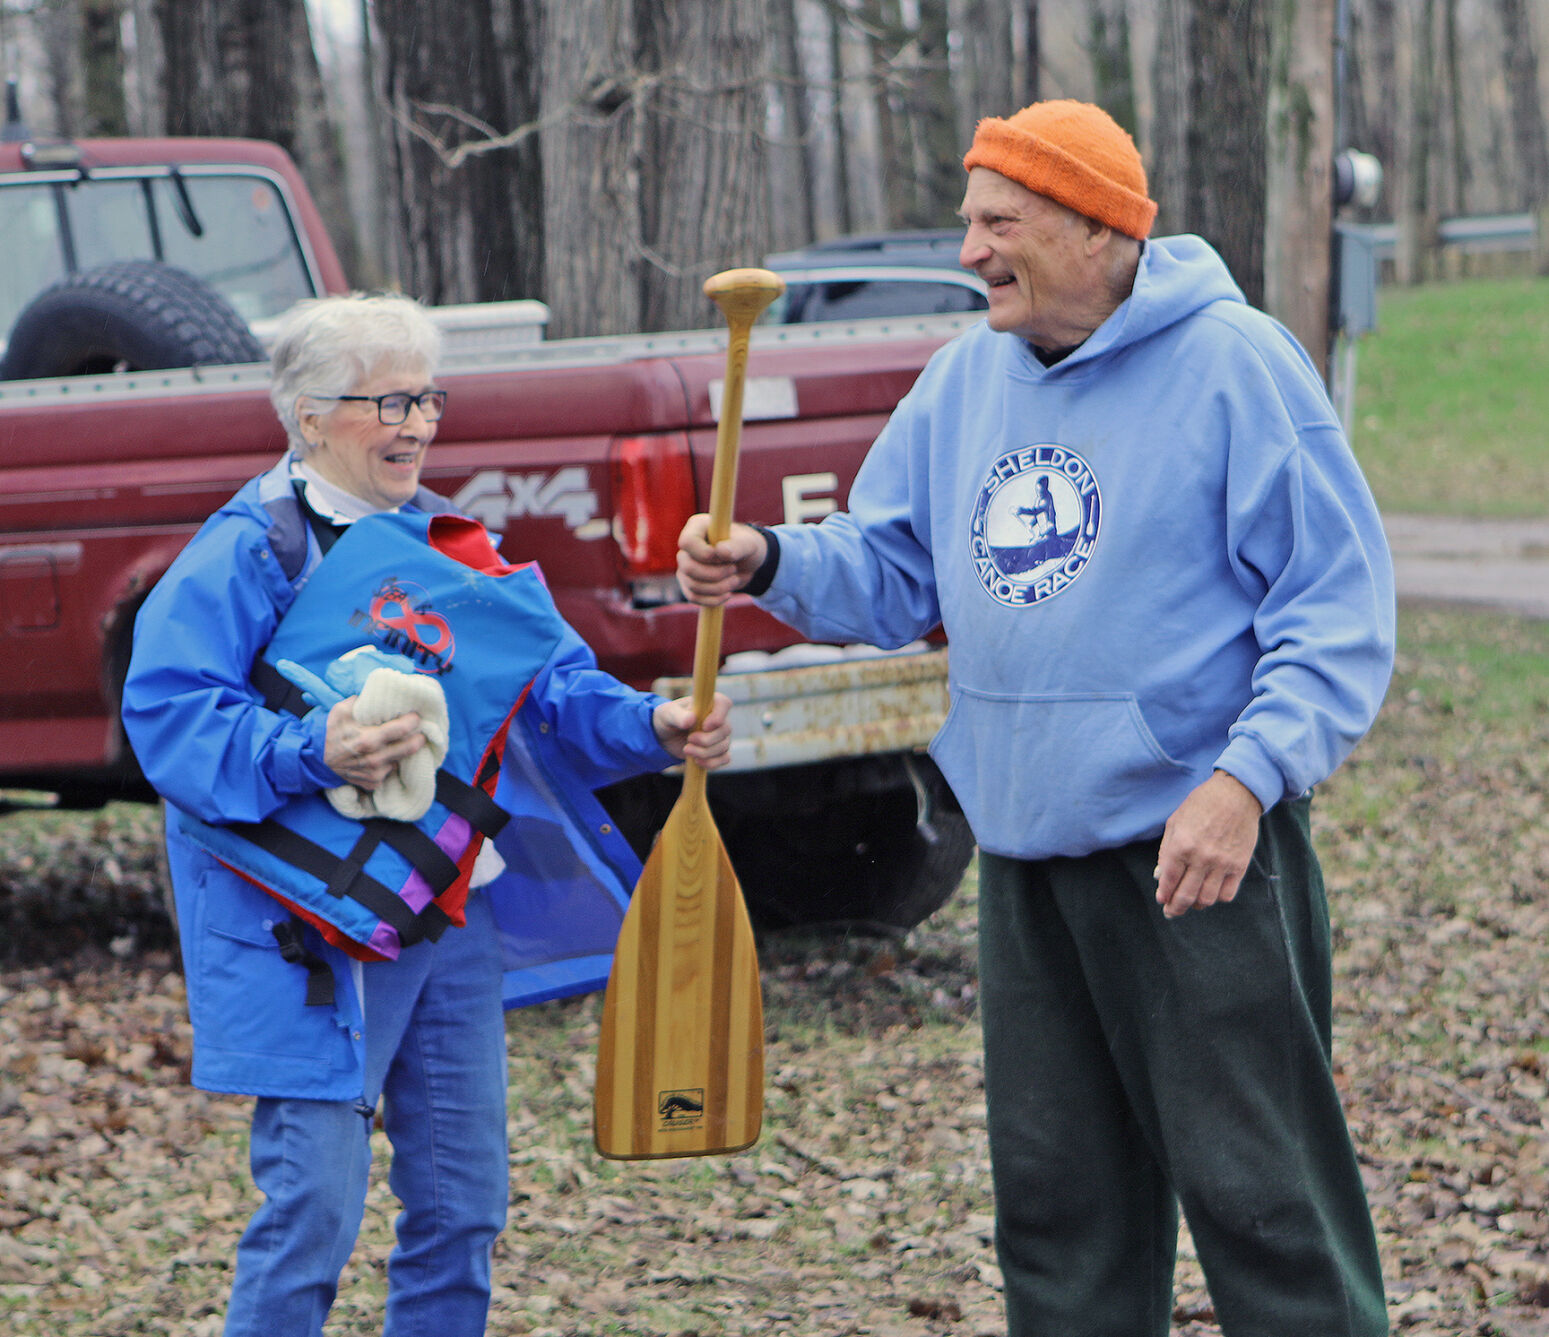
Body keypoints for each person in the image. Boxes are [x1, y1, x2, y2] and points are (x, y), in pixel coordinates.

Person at [678, 100, 1394, 1336]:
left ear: (1095, 226)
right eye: (969, 222)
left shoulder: (1234, 363)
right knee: (1059, 1215)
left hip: (1195, 856)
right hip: (1024, 854)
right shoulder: (965, 381)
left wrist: (1245, 779)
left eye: (997, 223)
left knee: (1262, 1199)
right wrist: (766, 559)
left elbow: (1335, 606)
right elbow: (894, 569)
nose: (969, 252)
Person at [121, 291, 732, 1337]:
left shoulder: (455, 550)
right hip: (302, 928)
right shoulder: (248, 550)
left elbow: (548, 693)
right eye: (389, 401)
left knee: (461, 1207)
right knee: (312, 1205)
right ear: (309, 415)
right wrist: (311, 748)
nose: (416, 424)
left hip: (447, 916)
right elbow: (169, 715)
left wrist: (653, 725)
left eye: (428, 399)